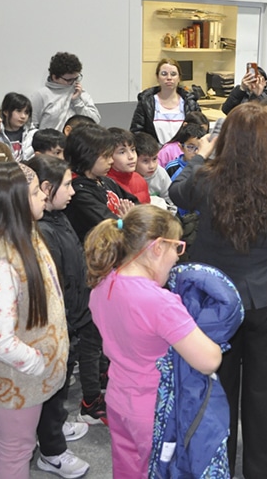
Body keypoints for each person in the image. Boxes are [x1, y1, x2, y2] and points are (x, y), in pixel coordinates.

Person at [169, 102, 267, 477]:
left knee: (216, 387)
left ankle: (214, 466)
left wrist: (200, 155)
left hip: (217, 300)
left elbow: (177, 191)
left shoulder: (206, 178)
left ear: (225, 138)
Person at [84, 205, 223, 478]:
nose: (177, 258)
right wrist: (217, 336)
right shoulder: (159, 302)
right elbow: (209, 361)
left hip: (119, 400)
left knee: (129, 470)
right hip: (156, 411)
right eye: (176, 248)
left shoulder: (103, 285)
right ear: (158, 247)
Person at [0, 162, 69, 479]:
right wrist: (37, 363)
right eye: (38, 190)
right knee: (16, 451)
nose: (44, 195)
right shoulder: (1, 260)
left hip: (29, 376)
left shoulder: (26, 234)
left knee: (20, 446)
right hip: (16, 378)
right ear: (15, 202)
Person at [26, 155, 101, 478]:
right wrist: (67, 323)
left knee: (57, 390)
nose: (72, 191)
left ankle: (52, 428)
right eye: (67, 184)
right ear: (46, 187)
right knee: (51, 388)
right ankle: (52, 451)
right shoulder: (42, 230)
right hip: (61, 324)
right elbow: (53, 288)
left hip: (73, 317)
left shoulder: (58, 217)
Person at [63, 124, 137, 243]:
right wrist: (128, 219)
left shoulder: (106, 181)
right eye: (106, 156)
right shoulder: (79, 193)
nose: (111, 161)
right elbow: (111, 224)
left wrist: (131, 216)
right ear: (88, 156)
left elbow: (136, 204)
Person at [130, 58, 201, 144]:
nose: (169, 78)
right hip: (154, 155)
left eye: (173, 74)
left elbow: (200, 132)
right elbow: (136, 133)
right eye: (164, 74)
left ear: (179, 78)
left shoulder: (191, 104)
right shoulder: (146, 102)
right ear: (157, 77)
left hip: (184, 154)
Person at [31, 52, 102, 131]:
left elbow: (95, 121)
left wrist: (77, 101)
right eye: (69, 80)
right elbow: (31, 126)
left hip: (77, 142)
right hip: (51, 141)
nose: (73, 82)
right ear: (55, 77)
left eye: (76, 78)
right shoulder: (41, 95)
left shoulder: (80, 92)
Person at [106, 127, 150, 204]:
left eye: (133, 150)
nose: (131, 156)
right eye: (122, 152)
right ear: (109, 155)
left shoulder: (140, 179)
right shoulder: (105, 184)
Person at [0, 92, 37, 161]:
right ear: (6, 111)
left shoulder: (33, 134)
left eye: (26, 112)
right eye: (18, 111)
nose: (23, 116)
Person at [133, 131, 171, 199]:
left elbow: (170, 199)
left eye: (154, 159)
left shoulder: (161, 173)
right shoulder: (129, 177)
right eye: (145, 161)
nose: (152, 166)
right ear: (134, 159)